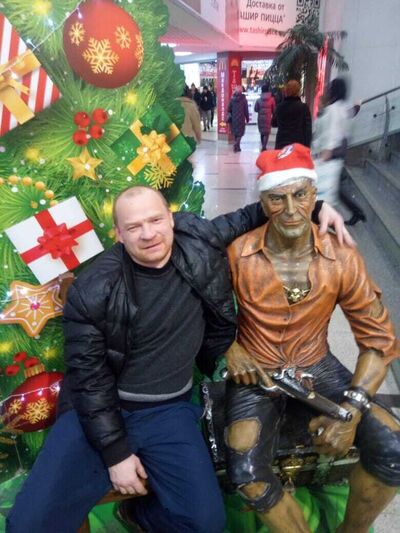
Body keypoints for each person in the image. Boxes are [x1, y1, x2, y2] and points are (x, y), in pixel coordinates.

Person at [7, 186, 350, 533]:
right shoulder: (93, 289)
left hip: (167, 412)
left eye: (155, 220)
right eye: (134, 226)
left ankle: (140, 515)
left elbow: (251, 214)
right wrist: (116, 455)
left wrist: (317, 207)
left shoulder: (198, 239)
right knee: (28, 524)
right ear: (119, 234)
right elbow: (89, 382)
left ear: (171, 219)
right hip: (100, 410)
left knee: (205, 523)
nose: (148, 233)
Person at [224, 143, 400, 533]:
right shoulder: (237, 254)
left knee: (394, 447)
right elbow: (202, 312)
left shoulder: (342, 257)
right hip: (257, 372)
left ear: (315, 196)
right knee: (246, 469)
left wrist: (351, 411)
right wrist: (229, 347)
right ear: (263, 202)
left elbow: (378, 340)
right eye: (277, 198)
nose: (290, 209)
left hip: (317, 366)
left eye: (300, 195)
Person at [313, 79, 366, 225]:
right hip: (340, 151)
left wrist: (325, 154)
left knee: (328, 187)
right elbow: (352, 113)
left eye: (330, 88)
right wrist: (358, 105)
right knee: (335, 187)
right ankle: (356, 212)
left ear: (333, 90)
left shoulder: (333, 109)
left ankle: (331, 217)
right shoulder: (343, 108)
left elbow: (331, 133)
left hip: (331, 153)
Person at [274, 80, 312, 149]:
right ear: (298, 91)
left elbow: (273, 123)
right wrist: (307, 147)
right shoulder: (303, 107)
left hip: (281, 143)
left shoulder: (279, 107)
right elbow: (308, 130)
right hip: (298, 145)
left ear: (286, 91)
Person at [254, 82, 276, 152]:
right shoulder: (272, 99)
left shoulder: (258, 100)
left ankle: (263, 145)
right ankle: (264, 146)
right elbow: (274, 110)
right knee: (267, 133)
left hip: (260, 118)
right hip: (268, 118)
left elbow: (255, 109)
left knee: (262, 132)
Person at [227, 86, 249, 153]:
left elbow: (228, 109)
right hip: (241, 119)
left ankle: (237, 147)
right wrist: (247, 118)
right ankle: (236, 145)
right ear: (241, 91)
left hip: (234, 119)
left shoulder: (232, 99)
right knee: (240, 133)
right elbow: (246, 110)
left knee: (235, 133)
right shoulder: (244, 99)